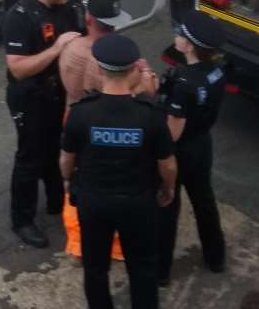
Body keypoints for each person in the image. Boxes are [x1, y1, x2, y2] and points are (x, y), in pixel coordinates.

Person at [60, 34, 177, 309]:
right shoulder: (150, 115)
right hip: (138, 203)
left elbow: (67, 159)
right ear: (134, 70)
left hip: (94, 202)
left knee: (96, 268)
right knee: (143, 269)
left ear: (100, 70)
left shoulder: (81, 113)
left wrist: (68, 181)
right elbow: (167, 163)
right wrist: (168, 188)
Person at [3, 0, 82, 248]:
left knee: (56, 146)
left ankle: (55, 200)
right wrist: (56, 50)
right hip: (30, 96)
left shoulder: (69, 4)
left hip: (58, 92)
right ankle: (22, 220)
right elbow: (18, 68)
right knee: (29, 157)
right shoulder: (20, 17)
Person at [59, 0, 133, 262]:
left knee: (76, 182)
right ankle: (113, 246)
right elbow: (130, 93)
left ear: (89, 18)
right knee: (108, 181)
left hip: (71, 118)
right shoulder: (111, 62)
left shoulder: (69, 48)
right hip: (102, 124)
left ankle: (77, 242)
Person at [157, 10, 228, 286]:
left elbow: (173, 132)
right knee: (204, 203)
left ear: (189, 45)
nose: (176, 36)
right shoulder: (218, 70)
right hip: (202, 146)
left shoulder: (184, 83)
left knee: (167, 207)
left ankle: (160, 272)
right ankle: (216, 257)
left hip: (181, 151)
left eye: (180, 34)